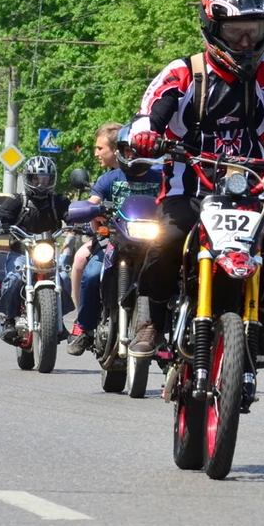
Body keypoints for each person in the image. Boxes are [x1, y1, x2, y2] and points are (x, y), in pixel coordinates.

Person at [128, 0, 264, 368]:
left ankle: (259, 324)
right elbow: (150, 111)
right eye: (235, 32)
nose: (245, 43)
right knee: (166, 241)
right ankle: (151, 319)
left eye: (254, 31)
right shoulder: (184, 71)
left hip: (250, 190)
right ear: (211, 28)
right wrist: (145, 135)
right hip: (188, 187)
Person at [66, 123, 163, 356]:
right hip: (113, 240)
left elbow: (172, 203)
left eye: (136, 150)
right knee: (91, 274)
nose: (132, 155)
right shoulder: (108, 179)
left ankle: (165, 334)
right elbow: (92, 204)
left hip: (152, 243)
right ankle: (85, 328)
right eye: (127, 150)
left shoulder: (161, 177)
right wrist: (90, 211)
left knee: (172, 277)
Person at [0, 156, 71, 348]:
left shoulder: (58, 201)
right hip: (21, 252)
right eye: (36, 179)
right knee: (14, 279)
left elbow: (71, 215)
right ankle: (9, 319)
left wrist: (80, 223)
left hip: (48, 253)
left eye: (46, 179)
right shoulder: (17, 200)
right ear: (28, 178)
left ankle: (57, 320)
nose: (41, 184)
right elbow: (2, 216)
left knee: (64, 277)